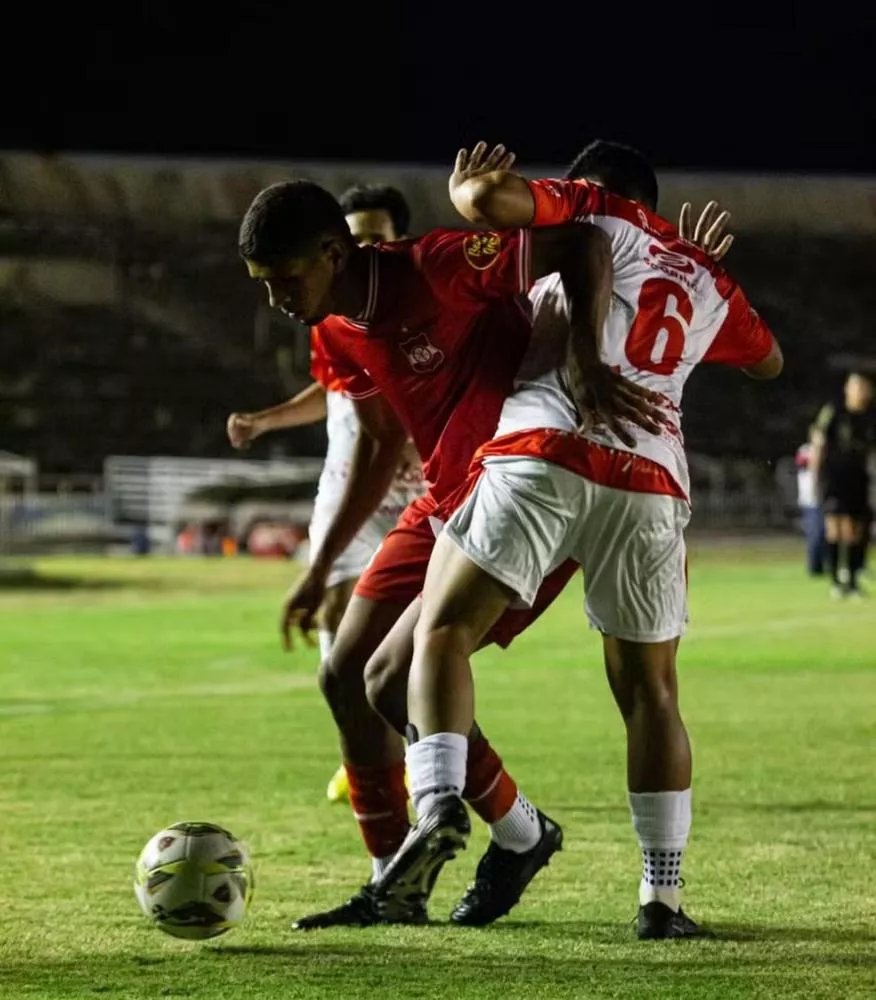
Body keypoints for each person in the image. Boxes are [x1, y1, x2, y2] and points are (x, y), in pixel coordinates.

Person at [371, 141, 782, 940]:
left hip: (547, 450)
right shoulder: (705, 277)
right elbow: (768, 361)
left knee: (442, 631)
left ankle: (440, 807)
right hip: (650, 480)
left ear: (595, 187)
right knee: (651, 695)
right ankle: (661, 901)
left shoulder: (598, 212)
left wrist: (466, 194)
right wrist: (696, 272)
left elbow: (497, 202)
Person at [238, 170, 666, 929]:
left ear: (335, 252)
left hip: (522, 488)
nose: (275, 298)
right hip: (442, 497)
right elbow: (377, 447)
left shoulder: (437, 265)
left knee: (393, 676)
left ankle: (512, 834)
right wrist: (317, 569)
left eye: (286, 276)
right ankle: (400, 875)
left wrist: (590, 359)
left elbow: (583, 243)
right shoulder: (334, 327)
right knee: (345, 675)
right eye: (262, 283)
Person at [227, 184, 424, 805]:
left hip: (419, 501)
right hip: (351, 498)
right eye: (356, 232)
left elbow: (388, 434)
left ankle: (425, 768)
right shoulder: (330, 322)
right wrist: (264, 420)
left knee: (405, 654)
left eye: (376, 235)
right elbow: (337, 394)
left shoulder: (425, 295)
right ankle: (372, 767)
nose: (366, 244)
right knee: (341, 649)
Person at [811, 372, 874, 598]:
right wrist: (814, 475)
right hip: (834, 477)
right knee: (837, 528)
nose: (861, 392)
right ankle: (837, 581)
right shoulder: (834, 413)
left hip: (859, 479)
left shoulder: (869, 416)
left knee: (857, 530)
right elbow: (818, 443)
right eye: (856, 386)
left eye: (864, 387)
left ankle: (853, 578)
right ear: (848, 389)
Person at [795, 433, 825, 576]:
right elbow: (810, 466)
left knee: (826, 534)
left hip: (825, 499)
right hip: (811, 500)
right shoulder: (805, 450)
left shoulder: (827, 450)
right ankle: (814, 567)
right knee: (815, 534)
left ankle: (826, 565)